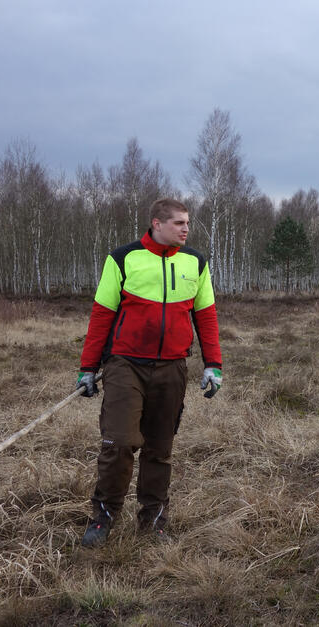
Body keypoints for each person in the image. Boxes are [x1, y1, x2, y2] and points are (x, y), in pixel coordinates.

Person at [75, 198, 223, 547]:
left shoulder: (196, 262)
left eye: (188, 223)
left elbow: (206, 316)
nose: (186, 229)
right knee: (120, 443)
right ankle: (104, 516)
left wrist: (213, 364)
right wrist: (87, 368)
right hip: (124, 364)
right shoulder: (123, 258)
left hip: (173, 367)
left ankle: (153, 520)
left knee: (160, 448)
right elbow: (101, 315)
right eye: (179, 223)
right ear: (157, 224)